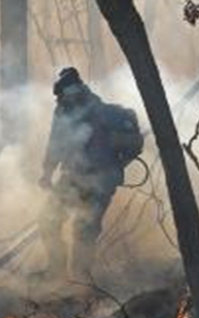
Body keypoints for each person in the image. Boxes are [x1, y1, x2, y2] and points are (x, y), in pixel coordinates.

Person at [38, 67, 143, 280]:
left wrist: (115, 166)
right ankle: (56, 270)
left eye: (63, 96)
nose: (60, 101)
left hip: (100, 181)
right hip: (72, 176)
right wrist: (47, 172)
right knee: (48, 220)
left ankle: (82, 278)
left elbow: (133, 147)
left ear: (75, 91)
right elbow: (56, 143)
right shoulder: (63, 111)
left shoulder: (104, 114)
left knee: (84, 229)